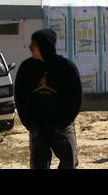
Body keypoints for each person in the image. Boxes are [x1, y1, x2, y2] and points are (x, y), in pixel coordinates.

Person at [15, 28, 83, 169]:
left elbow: (75, 100)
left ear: (43, 45)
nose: (30, 48)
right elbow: (20, 101)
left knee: (70, 162)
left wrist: (62, 124)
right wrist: (32, 126)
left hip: (62, 126)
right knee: (38, 164)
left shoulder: (66, 68)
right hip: (38, 126)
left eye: (33, 44)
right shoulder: (26, 68)